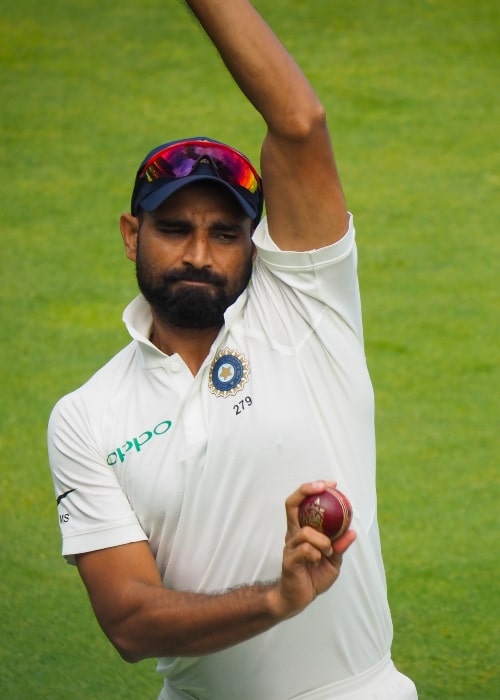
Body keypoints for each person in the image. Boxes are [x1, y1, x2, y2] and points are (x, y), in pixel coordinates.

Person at [48, 1, 418, 698]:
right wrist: (273, 600)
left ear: (255, 242)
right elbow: (128, 621)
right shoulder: (86, 417)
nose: (198, 253)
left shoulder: (307, 311)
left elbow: (300, 124)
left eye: (225, 233)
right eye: (174, 227)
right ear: (132, 234)